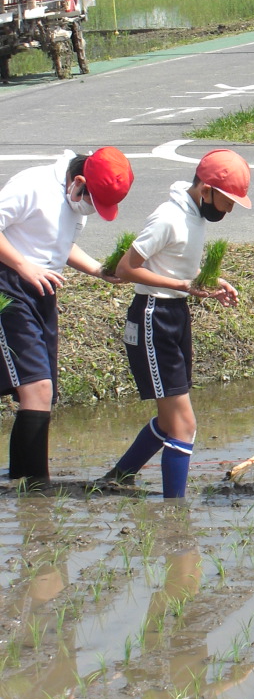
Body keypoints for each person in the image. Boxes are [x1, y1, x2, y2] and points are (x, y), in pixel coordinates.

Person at [99, 150, 252, 498]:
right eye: (227, 201)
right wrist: (184, 286)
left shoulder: (194, 216)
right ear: (206, 190)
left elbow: (176, 263)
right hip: (153, 317)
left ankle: (119, 475)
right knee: (184, 425)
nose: (227, 210)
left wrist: (210, 280)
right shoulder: (169, 217)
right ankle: (174, 511)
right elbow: (126, 268)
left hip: (175, 315)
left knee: (171, 421)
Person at [0, 148, 133, 486]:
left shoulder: (74, 201)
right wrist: (24, 266)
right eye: (93, 201)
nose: (91, 210)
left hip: (41, 291)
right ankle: (34, 487)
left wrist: (98, 270)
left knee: (43, 392)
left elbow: (58, 244)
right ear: (78, 182)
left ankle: (26, 482)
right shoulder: (32, 184)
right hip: (8, 286)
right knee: (37, 388)